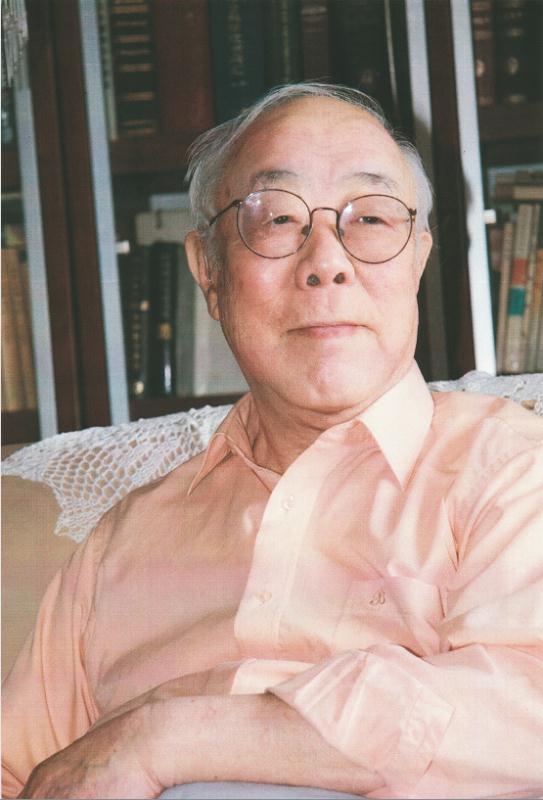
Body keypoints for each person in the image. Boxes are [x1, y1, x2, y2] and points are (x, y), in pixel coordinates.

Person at [2, 82, 543, 800]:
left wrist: (166, 736)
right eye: (278, 219)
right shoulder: (121, 544)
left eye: (371, 218)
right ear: (209, 272)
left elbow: (526, 709)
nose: (327, 262)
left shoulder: (510, 470)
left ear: (416, 260)